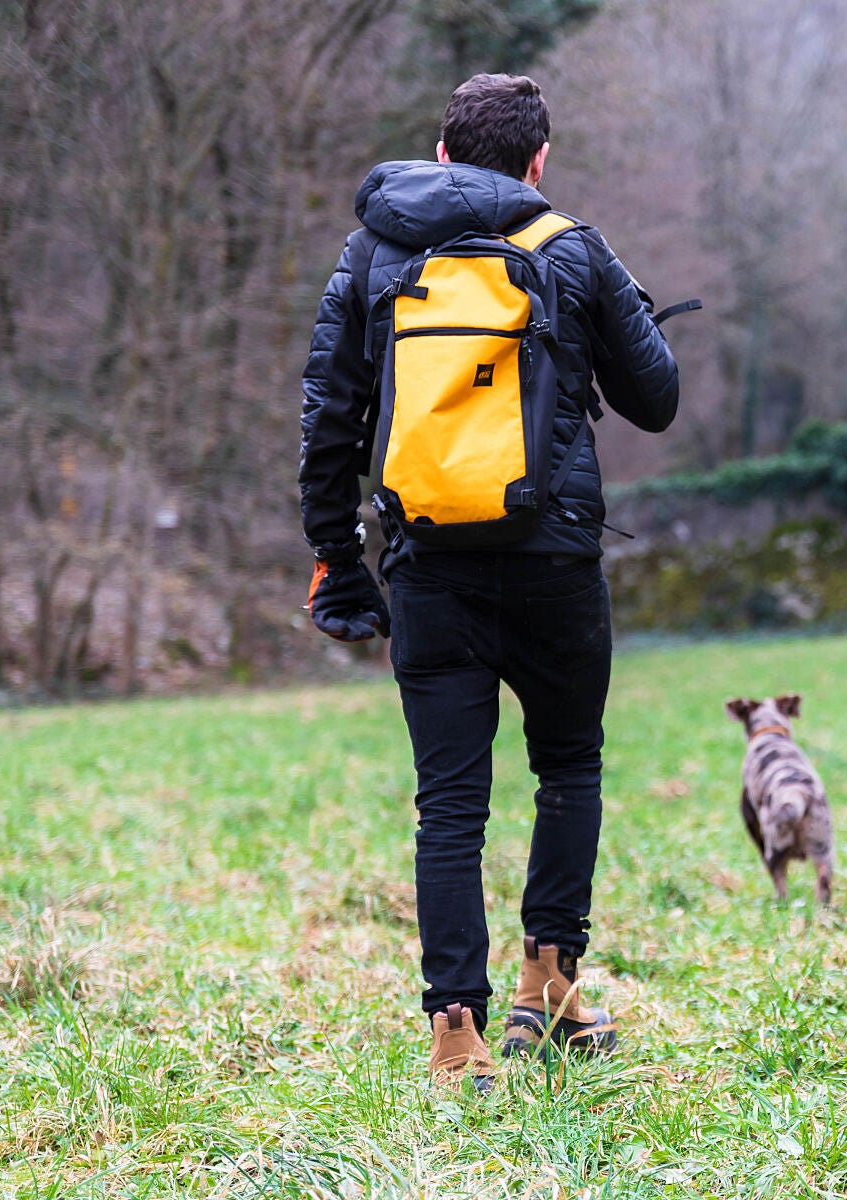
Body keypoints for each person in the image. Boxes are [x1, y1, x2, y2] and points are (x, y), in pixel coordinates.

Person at [297, 73, 679, 1088]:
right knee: (570, 768)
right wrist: (616, 310)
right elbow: (658, 399)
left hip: (428, 565)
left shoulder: (376, 251)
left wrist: (337, 557)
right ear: (539, 160)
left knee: (450, 805)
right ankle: (549, 985)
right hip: (552, 560)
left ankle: (455, 1036)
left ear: (442, 150)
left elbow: (330, 413)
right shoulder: (570, 248)